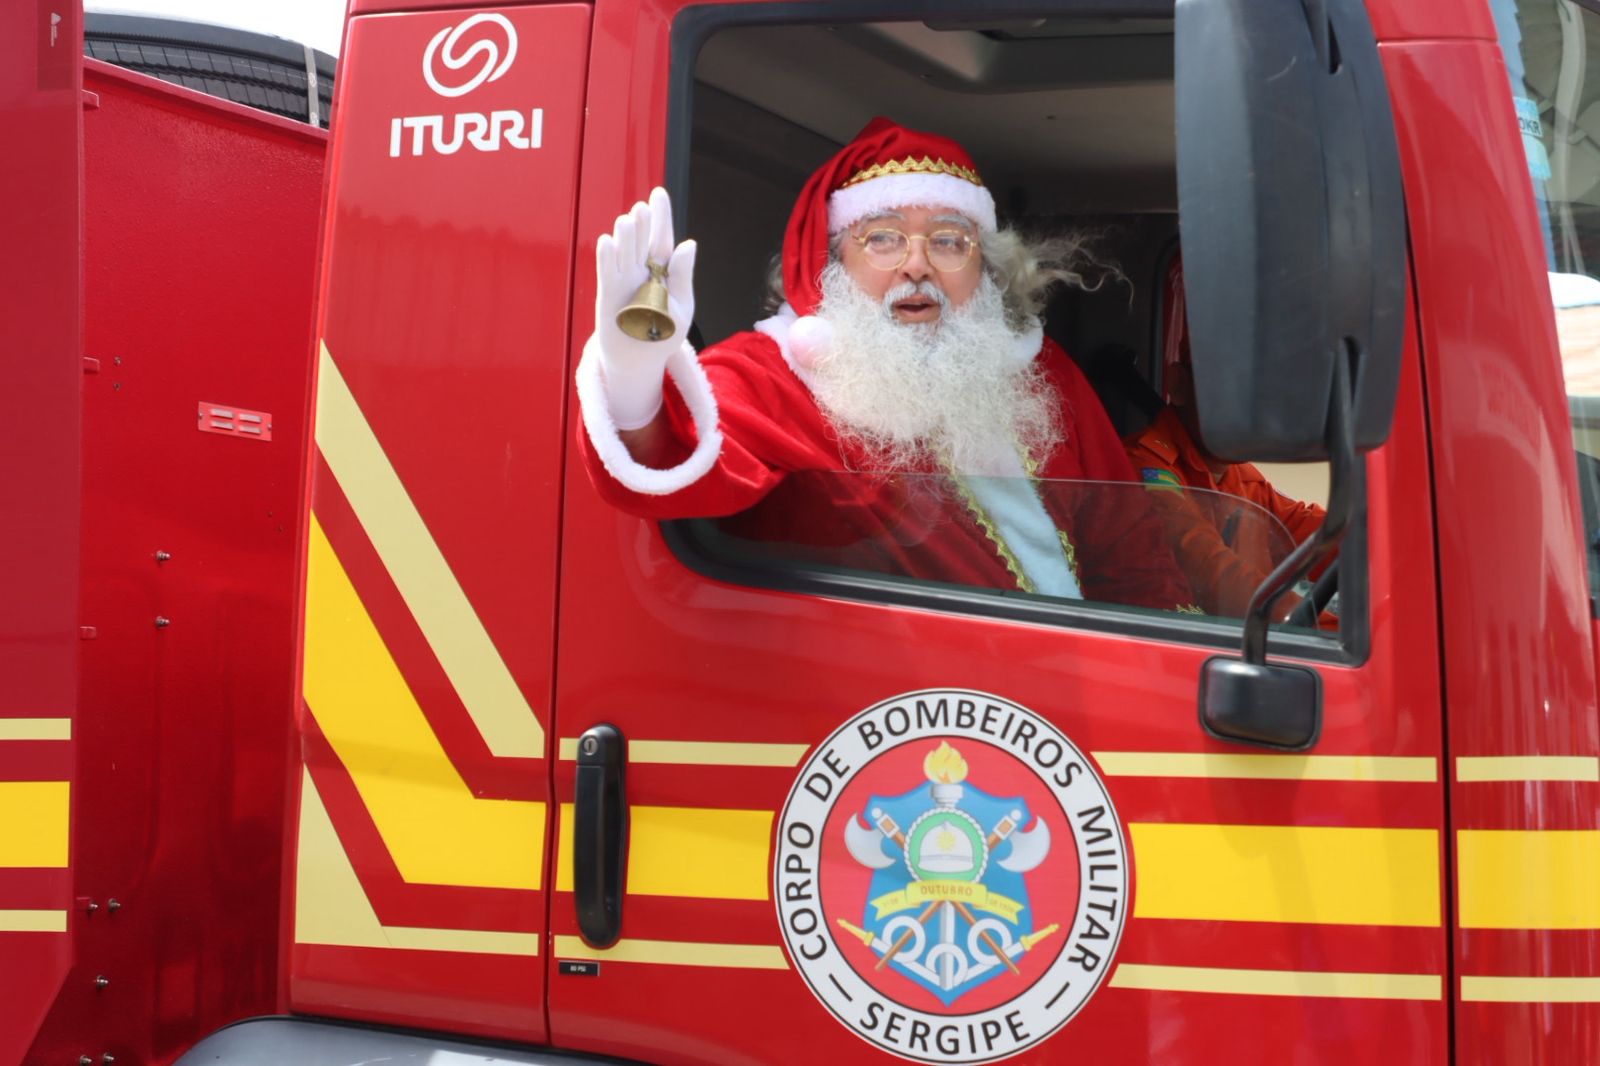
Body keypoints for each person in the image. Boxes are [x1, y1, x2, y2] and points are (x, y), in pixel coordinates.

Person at [575, 117, 1191, 610]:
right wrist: (634, 381)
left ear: (984, 267)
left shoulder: (1039, 371)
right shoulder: (779, 372)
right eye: (883, 237)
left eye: (950, 240)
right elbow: (672, 461)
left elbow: (1132, 549)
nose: (916, 264)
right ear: (831, 260)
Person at [1124, 255, 1328, 619]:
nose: (1249, 408)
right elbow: (1204, 561)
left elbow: (1310, 535)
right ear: (1179, 385)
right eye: (1229, 388)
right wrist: (1304, 624)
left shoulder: (1237, 472)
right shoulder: (1146, 468)